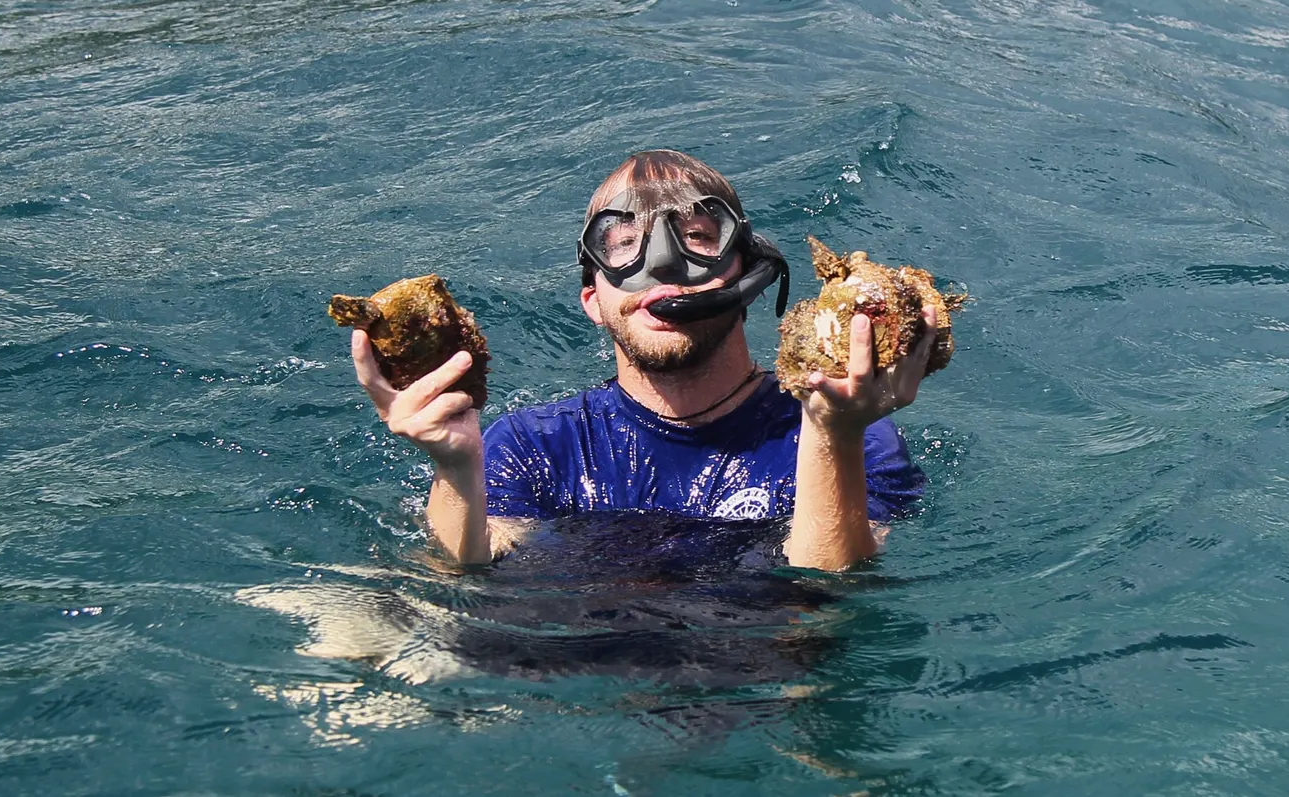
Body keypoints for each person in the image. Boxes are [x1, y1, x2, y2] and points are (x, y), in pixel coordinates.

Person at [348, 150, 936, 571]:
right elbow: (463, 578)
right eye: (624, 244)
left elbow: (830, 598)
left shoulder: (848, 434)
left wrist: (833, 435)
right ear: (593, 302)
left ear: (750, 277)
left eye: (700, 236)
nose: (662, 265)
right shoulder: (529, 443)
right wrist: (454, 469)